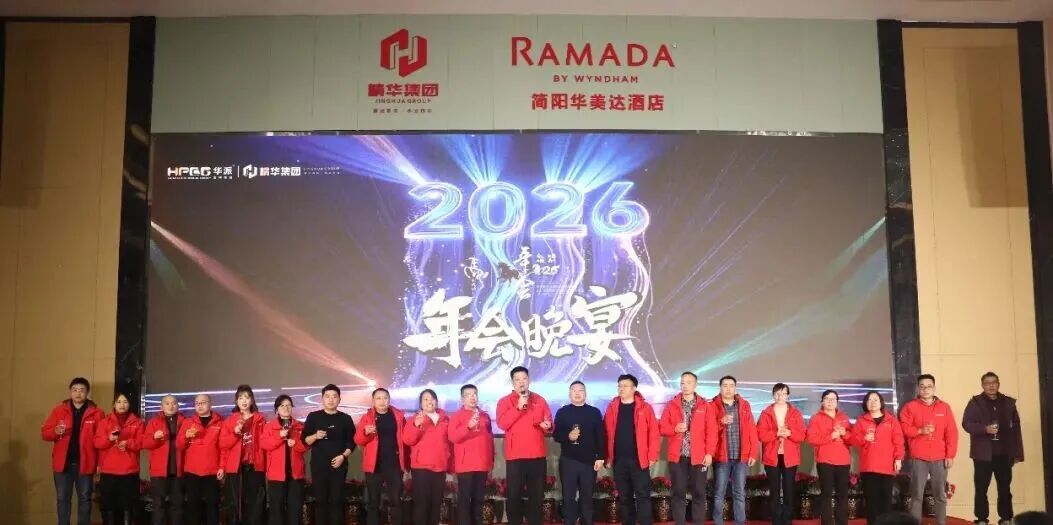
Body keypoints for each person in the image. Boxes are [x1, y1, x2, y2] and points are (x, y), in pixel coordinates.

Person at [962, 372, 1024, 525]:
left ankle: (1006, 518)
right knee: (981, 488)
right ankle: (981, 519)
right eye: (987, 383)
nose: (991, 385)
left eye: (994, 382)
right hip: (982, 455)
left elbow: (1016, 430)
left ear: (998, 384)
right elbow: (967, 424)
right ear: (982, 385)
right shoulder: (975, 403)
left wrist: (1018, 453)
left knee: (1005, 488)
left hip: (1004, 453)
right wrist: (985, 429)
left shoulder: (1008, 403)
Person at [41, 377, 104, 525]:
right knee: (62, 499)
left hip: (86, 463)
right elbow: (45, 433)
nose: (78, 393)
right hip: (63, 464)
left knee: (85, 499)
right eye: (75, 390)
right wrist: (55, 431)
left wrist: (99, 463)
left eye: (82, 390)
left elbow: (101, 440)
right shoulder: (59, 410)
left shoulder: (97, 413)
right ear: (70, 392)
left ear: (87, 392)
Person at [496, 366, 552, 525]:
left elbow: (549, 421)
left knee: (537, 495)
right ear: (512, 383)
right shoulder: (504, 401)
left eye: (524, 378)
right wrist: (518, 407)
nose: (521, 382)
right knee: (514, 495)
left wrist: (547, 425)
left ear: (529, 380)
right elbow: (502, 423)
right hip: (515, 456)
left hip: (537, 454)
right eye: (517, 379)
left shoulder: (539, 400)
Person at [899, 374, 958, 525]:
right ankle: (915, 523)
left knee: (940, 494)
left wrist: (950, 455)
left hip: (940, 457)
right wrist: (920, 431)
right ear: (918, 389)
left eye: (929, 386)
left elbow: (951, 432)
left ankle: (941, 522)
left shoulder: (944, 407)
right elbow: (904, 429)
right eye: (922, 386)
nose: (925, 389)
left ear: (934, 388)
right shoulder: (910, 407)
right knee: (916, 495)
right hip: (919, 457)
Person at [659, 372, 716, 525]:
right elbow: (662, 427)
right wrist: (674, 429)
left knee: (699, 493)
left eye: (689, 382)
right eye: (682, 383)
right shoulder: (672, 404)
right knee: (678, 492)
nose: (685, 386)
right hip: (678, 456)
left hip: (699, 457)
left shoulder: (705, 405)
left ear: (695, 385)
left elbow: (712, 431)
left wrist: (709, 453)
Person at [603, 374, 659, 525]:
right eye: (619, 386)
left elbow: (654, 433)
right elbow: (606, 433)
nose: (621, 389)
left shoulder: (645, 407)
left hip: (639, 460)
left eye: (625, 386)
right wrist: (607, 456)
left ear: (634, 388)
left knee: (643, 496)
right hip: (619, 460)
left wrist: (652, 455)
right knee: (624, 497)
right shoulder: (612, 407)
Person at [302, 384, 356, 525]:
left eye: (334, 396)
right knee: (320, 500)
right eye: (327, 396)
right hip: (319, 465)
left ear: (339, 399)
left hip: (339, 465)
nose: (331, 399)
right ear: (322, 399)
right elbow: (305, 440)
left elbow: (352, 443)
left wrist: (343, 456)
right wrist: (315, 436)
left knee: (337, 500)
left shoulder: (346, 418)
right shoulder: (313, 417)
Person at [554, 381, 606, 525]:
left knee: (587, 497)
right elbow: (556, 435)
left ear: (585, 393)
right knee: (568, 497)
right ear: (569, 393)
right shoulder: (562, 412)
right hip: (568, 460)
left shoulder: (594, 412)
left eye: (580, 390)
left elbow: (600, 436)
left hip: (589, 462)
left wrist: (601, 457)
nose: (577, 393)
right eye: (574, 390)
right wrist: (568, 436)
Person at [849, 391, 904, 524]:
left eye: (875, 400)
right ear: (865, 404)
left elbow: (898, 441)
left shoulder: (891, 420)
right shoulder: (861, 421)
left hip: (887, 467)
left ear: (881, 402)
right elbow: (853, 440)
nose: (873, 403)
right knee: (871, 501)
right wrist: (864, 438)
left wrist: (898, 458)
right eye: (869, 400)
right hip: (869, 467)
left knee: (886, 500)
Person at [711, 376, 759, 525]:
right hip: (721, 457)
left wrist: (753, 453)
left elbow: (752, 430)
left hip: (741, 457)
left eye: (731, 385)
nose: (728, 388)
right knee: (719, 493)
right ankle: (718, 522)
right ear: (720, 388)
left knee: (739, 492)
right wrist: (720, 422)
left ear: (735, 388)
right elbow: (708, 430)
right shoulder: (712, 405)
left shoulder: (744, 405)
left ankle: (740, 522)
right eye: (725, 385)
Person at [355, 388, 406, 525]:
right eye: (378, 398)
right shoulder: (367, 417)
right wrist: (365, 433)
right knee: (373, 502)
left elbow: (405, 440)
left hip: (394, 465)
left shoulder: (398, 416)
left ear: (389, 399)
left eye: (385, 398)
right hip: (374, 466)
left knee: (396, 501)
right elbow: (358, 440)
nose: (382, 401)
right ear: (373, 401)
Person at [757, 383, 806, 525]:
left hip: (790, 456)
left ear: (788, 396)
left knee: (789, 489)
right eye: (777, 394)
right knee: (774, 490)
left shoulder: (795, 413)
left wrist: (790, 433)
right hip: (772, 456)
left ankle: (787, 520)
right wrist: (776, 433)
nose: (780, 396)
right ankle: (776, 520)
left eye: (783, 393)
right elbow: (761, 434)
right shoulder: (766, 413)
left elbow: (802, 435)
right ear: (773, 395)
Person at [219, 385, 267, 525]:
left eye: (247, 397)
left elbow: (265, 443)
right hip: (236, 467)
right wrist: (235, 433)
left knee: (256, 503)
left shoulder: (260, 419)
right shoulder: (230, 421)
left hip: (255, 466)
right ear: (236, 401)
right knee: (236, 503)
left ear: (252, 400)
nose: (244, 401)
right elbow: (223, 444)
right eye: (240, 398)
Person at [402, 389, 451, 525]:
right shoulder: (414, 419)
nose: (429, 401)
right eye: (425, 399)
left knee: (436, 503)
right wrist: (416, 425)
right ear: (420, 403)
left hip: (440, 466)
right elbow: (407, 440)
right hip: (421, 467)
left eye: (432, 398)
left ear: (436, 401)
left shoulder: (446, 419)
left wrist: (449, 463)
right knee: (421, 503)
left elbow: (450, 443)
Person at [93, 392, 143, 525]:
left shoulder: (137, 422)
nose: (122, 405)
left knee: (128, 505)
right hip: (109, 470)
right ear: (114, 404)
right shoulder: (104, 422)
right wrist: (109, 439)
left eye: (125, 402)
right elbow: (97, 443)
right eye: (119, 402)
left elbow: (141, 443)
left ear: (130, 405)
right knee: (108, 505)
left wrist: (128, 443)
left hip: (129, 471)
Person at [449, 384, 495, 525]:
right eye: (468, 395)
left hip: (482, 464)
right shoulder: (456, 416)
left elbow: (490, 440)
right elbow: (452, 437)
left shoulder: (485, 416)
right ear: (462, 399)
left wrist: (490, 462)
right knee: (464, 500)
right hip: (465, 465)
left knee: (479, 500)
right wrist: (467, 427)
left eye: (474, 394)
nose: (472, 397)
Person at [260, 395, 308, 525]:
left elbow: (305, 447)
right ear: (276, 410)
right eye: (282, 405)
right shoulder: (269, 426)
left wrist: (296, 443)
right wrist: (279, 436)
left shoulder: (299, 426)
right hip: (276, 474)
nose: (286, 408)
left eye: (288, 405)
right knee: (276, 508)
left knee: (295, 508)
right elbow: (264, 444)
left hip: (295, 474)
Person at [807, 389, 853, 525]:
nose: (830, 401)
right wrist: (830, 436)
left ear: (837, 402)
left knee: (842, 494)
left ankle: (842, 522)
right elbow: (812, 439)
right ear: (822, 402)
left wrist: (845, 434)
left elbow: (852, 439)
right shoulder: (816, 418)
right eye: (827, 399)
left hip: (843, 461)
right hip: (825, 461)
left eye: (833, 399)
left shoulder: (844, 417)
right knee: (826, 494)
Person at [178, 394, 224, 525]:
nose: (200, 405)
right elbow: (179, 445)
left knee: (212, 505)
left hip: (212, 471)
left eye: (203, 402)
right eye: (197, 403)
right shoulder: (188, 422)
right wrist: (186, 437)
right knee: (193, 505)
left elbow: (223, 448)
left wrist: (222, 466)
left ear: (210, 404)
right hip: (192, 471)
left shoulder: (220, 423)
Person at [141, 394, 185, 525]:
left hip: (178, 470)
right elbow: (145, 443)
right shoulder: (153, 422)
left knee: (177, 505)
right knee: (158, 505)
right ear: (161, 406)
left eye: (174, 403)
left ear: (177, 406)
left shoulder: (185, 421)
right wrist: (154, 438)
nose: (171, 406)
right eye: (167, 403)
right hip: (159, 471)